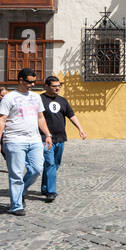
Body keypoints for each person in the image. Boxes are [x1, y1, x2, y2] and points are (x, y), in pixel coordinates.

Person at [0, 68, 53, 215]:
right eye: (29, 82)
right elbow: (2, 120)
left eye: (34, 82)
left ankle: (22, 190)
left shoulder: (36, 97)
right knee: (16, 174)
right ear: (20, 80)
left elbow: (40, 118)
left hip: (35, 140)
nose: (32, 85)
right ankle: (16, 205)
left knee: (37, 169)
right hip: (14, 140)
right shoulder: (9, 98)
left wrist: (48, 134)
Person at [39, 75, 87, 203]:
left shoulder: (62, 101)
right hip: (46, 138)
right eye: (54, 86)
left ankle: (45, 187)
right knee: (50, 163)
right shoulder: (39, 100)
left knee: (55, 164)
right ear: (47, 86)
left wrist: (80, 128)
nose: (57, 88)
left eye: (59, 86)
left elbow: (71, 115)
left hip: (60, 138)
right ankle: (51, 191)